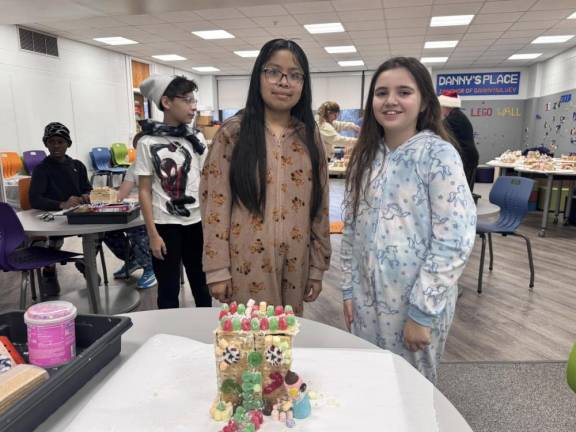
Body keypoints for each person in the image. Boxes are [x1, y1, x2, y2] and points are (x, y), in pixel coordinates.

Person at [341, 57, 476, 383]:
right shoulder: (365, 157)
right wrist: (347, 288)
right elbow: (351, 228)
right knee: (373, 384)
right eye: (381, 92)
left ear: (424, 101)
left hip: (414, 306)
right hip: (366, 302)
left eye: (404, 92)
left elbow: (454, 240)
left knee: (411, 391)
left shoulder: (439, 156)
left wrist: (423, 311)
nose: (390, 100)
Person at [200, 39, 331, 315]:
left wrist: (317, 267)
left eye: (295, 75)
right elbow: (215, 203)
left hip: (297, 263)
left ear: (303, 84)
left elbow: (320, 206)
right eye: (273, 72)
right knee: (250, 345)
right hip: (245, 262)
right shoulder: (233, 134)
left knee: (285, 340)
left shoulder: (309, 136)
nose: (284, 82)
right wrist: (217, 268)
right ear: (258, 76)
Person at [135, 75, 212, 309]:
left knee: (201, 285)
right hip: (164, 225)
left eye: (194, 99)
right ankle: (170, 341)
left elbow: (207, 182)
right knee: (167, 289)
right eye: (187, 100)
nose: (194, 106)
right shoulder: (146, 142)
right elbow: (145, 191)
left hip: (196, 223)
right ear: (166, 102)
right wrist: (152, 234)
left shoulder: (196, 139)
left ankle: (206, 336)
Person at [29, 122, 92, 299]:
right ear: (46, 144)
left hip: (77, 214)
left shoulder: (77, 166)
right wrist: (61, 204)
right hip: (53, 217)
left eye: (60, 142)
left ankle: (88, 264)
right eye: (51, 142)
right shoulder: (41, 170)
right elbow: (35, 199)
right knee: (51, 240)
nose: (56, 146)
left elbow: (87, 188)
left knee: (101, 233)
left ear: (68, 144)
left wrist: (87, 195)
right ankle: (49, 272)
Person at [101, 132, 157, 289]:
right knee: (108, 231)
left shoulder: (164, 164)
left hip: (160, 213)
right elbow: (121, 195)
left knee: (136, 228)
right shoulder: (134, 168)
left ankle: (150, 267)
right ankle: (132, 259)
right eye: (138, 147)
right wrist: (103, 196)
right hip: (140, 209)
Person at [438, 90, 479, 190]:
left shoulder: (453, 118)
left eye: (441, 107)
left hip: (466, 158)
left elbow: (438, 133)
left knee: (461, 190)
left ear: (446, 106)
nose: (440, 110)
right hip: (468, 157)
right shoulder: (458, 115)